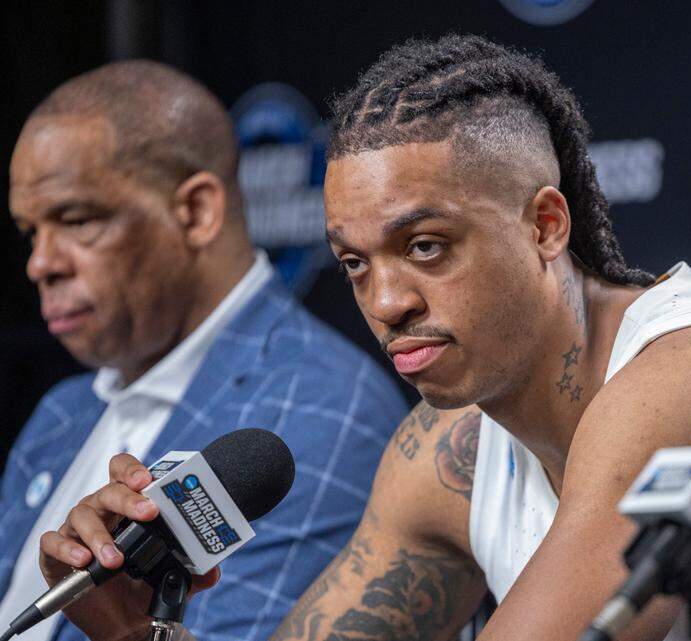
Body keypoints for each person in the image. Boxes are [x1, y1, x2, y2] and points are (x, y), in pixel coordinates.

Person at [42, 36, 691, 641]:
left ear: (547, 224)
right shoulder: (447, 453)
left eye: (425, 247)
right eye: (354, 264)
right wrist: (145, 627)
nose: (386, 300)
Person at [1, 60, 407, 641]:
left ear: (195, 211)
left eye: (76, 218)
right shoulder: (62, 410)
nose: (41, 263)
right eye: (31, 233)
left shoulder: (318, 410)